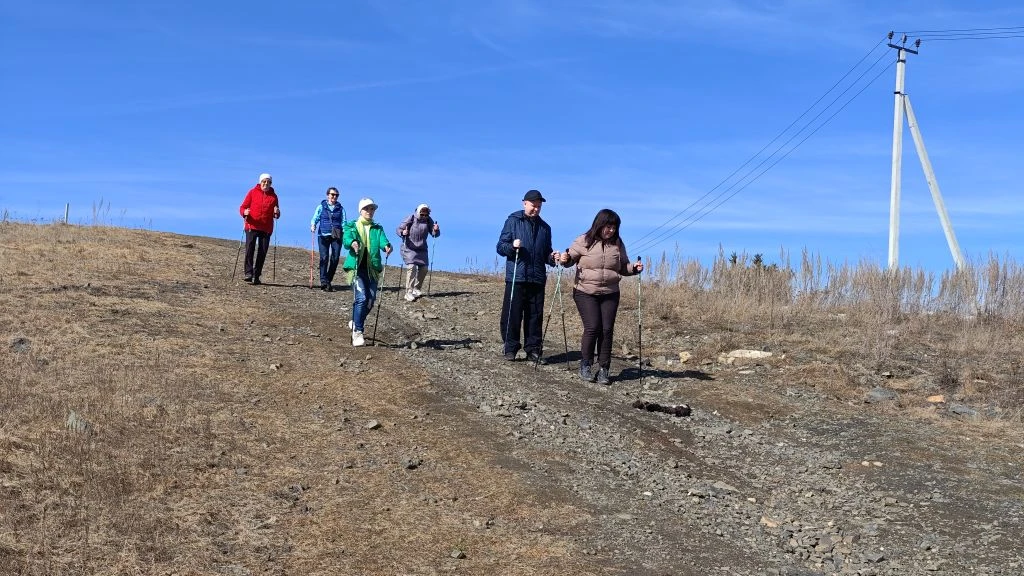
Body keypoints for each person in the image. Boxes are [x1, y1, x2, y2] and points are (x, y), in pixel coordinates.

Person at [559, 208, 643, 384]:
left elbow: (622, 267)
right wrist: (565, 259)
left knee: (606, 330)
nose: (611, 230)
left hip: (610, 292)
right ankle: (586, 364)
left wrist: (634, 268)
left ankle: (604, 368)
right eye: (608, 226)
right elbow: (569, 261)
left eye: (614, 227)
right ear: (599, 224)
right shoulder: (584, 240)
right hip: (585, 291)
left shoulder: (617, 244)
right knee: (593, 327)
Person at [496, 189, 558, 362]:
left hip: (537, 277)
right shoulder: (513, 221)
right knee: (513, 314)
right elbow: (501, 247)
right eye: (533, 205)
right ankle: (510, 348)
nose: (536, 209)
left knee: (535, 315)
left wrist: (552, 258)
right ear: (524, 203)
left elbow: (546, 253)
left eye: (539, 206)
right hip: (517, 276)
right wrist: (512, 247)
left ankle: (533, 349)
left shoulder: (545, 228)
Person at [342, 198, 392, 347]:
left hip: (372, 269)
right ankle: (358, 331)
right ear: (361, 211)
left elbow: (383, 241)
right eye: (367, 209)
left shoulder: (377, 228)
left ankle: (355, 322)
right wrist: (352, 243)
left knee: (370, 301)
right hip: (356, 268)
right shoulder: (352, 226)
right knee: (362, 298)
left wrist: (387, 246)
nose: (370, 211)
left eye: (372, 209)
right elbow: (346, 239)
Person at [238, 173, 280, 285]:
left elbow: (277, 213)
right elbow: (242, 207)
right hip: (252, 225)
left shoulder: (274, 196)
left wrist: (277, 213)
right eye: (264, 181)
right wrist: (244, 212)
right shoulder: (252, 192)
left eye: (268, 182)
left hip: (266, 228)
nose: (266, 184)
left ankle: (256, 276)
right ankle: (248, 273)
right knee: (249, 249)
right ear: (260, 182)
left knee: (262, 252)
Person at [397, 203, 440, 302]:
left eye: (426, 214)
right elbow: (399, 229)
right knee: (411, 267)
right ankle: (408, 292)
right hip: (409, 247)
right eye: (422, 214)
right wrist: (403, 233)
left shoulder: (428, 220)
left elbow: (434, 234)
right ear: (418, 212)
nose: (424, 216)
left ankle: (416, 288)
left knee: (424, 268)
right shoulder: (410, 218)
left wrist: (436, 230)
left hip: (422, 249)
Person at [310, 186, 347, 292]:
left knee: (335, 258)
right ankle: (323, 281)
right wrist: (313, 225)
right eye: (332, 194)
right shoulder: (321, 207)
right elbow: (315, 218)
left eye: (336, 195)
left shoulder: (341, 208)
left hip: (337, 235)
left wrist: (345, 232)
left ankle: (328, 280)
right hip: (323, 235)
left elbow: (344, 222)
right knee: (324, 257)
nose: (334, 197)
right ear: (328, 195)